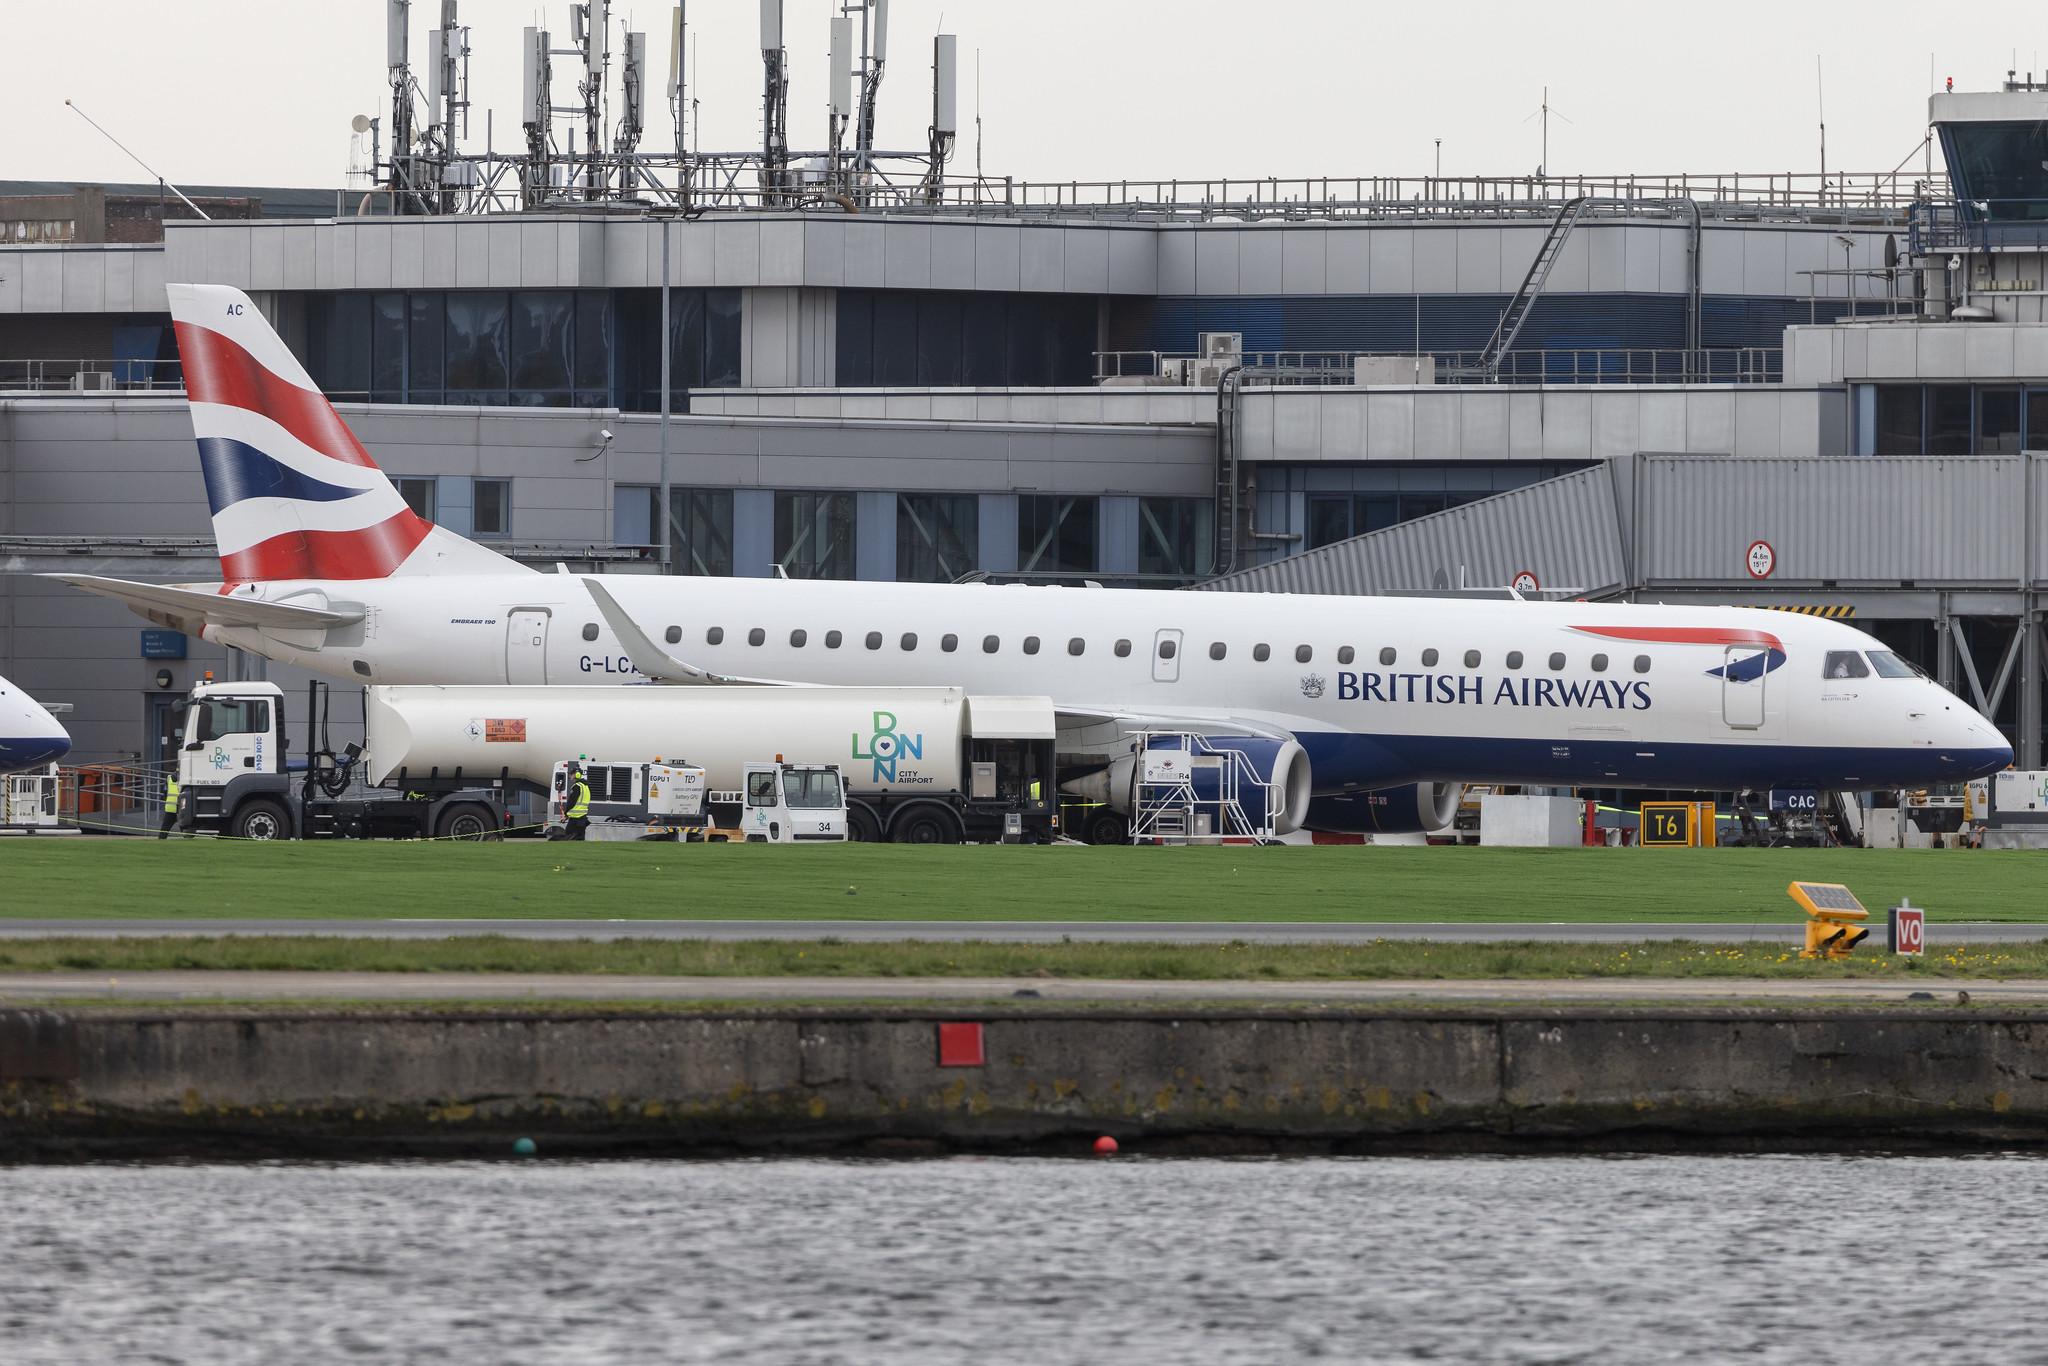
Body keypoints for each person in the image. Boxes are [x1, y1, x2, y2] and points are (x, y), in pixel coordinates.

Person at [563, 765, 592, 841]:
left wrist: (565, 814)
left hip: (575, 820)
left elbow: (571, 802)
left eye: (571, 774)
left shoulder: (577, 786)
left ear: (576, 774)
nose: (570, 776)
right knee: (580, 840)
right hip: (582, 818)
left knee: (568, 837)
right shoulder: (586, 786)